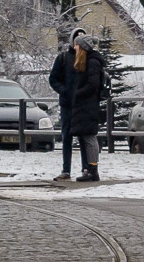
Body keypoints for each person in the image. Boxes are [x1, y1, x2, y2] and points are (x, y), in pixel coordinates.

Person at [48, 27, 86, 181]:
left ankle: (86, 168)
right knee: (67, 137)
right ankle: (66, 169)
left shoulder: (88, 58)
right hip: (67, 104)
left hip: (82, 103)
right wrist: (64, 91)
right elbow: (53, 79)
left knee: (84, 138)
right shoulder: (63, 58)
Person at [68, 34, 107, 182]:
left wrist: (77, 93)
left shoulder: (92, 62)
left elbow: (93, 85)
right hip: (84, 105)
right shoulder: (88, 62)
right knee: (85, 136)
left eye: (77, 45)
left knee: (89, 137)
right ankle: (89, 169)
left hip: (88, 105)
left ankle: (92, 169)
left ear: (83, 47)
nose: (75, 47)